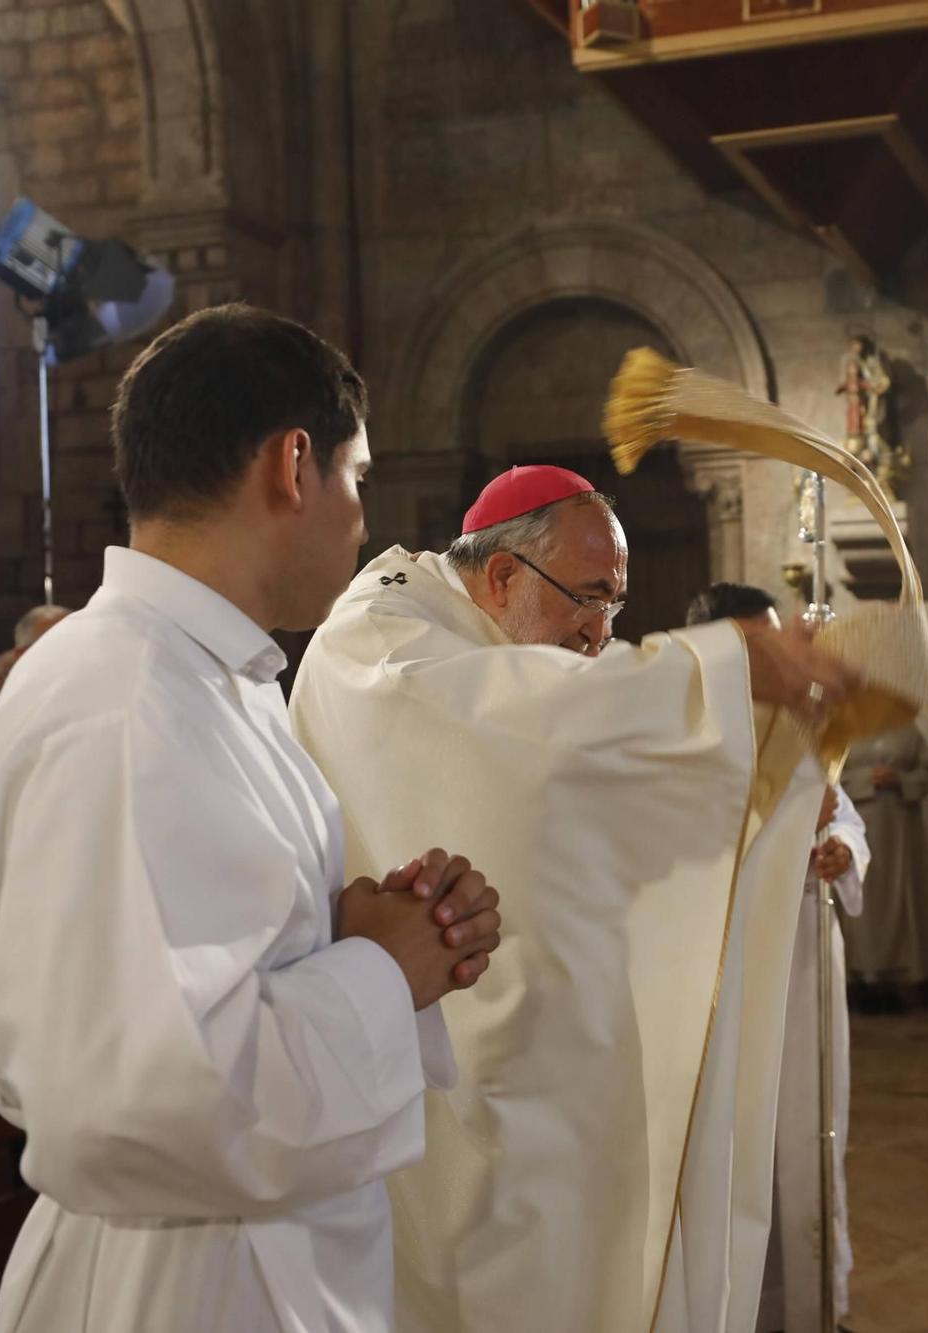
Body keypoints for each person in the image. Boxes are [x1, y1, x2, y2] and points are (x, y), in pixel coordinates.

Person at [0, 304, 502, 1332]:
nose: (364, 520)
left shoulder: (211, 680)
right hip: (188, 1285)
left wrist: (356, 932)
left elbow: (184, 977)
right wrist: (385, 966)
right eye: (359, 478)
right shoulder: (122, 708)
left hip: (255, 1256)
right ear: (294, 464)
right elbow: (160, 1101)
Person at [290, 468, 857, 1333]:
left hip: (551, 1045)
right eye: (589, 597)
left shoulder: (486, 641)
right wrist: (731, 682)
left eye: (618, 605)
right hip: (449, 1066)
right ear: (505, 575)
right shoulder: (381, 637)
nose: (602, 632)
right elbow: (529, 725)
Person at [684, 583, 870, 1333]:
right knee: (738, 1141)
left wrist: (838, 846)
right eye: (753, 646)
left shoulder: (802, 719)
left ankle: (814, 1303)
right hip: (724, 968)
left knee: (812, 1129)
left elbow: (844, 810)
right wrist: (786, 818)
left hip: (802, 950)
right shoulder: (678, 725)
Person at [838, 720, 928, 1003]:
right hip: (858, 825)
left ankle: (906, 973)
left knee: (903, 896)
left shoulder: (908, 727)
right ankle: (864, 974)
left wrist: (900, 780)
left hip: (901, 828)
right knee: (864, 901)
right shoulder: (843, 724)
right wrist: (866, 778)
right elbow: (828, 774)